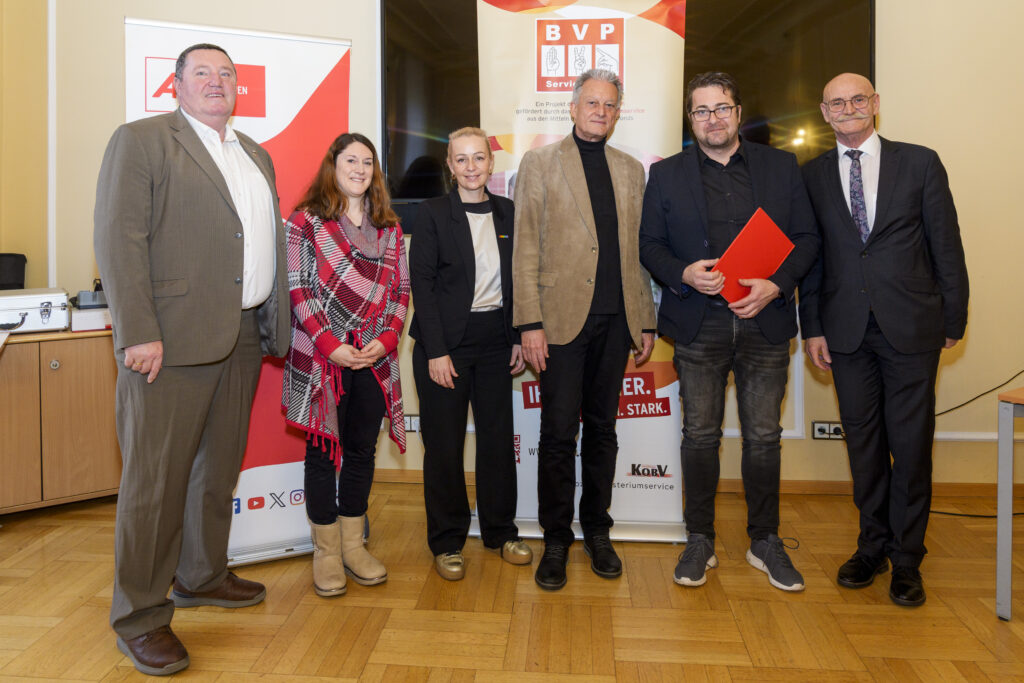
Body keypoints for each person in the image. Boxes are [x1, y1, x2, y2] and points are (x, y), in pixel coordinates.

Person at [94, 43, 290, 676]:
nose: (216, 81)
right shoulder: (143, 140)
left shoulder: (253, 153)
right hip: (168, 342)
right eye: (201, 72)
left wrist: (271, 322)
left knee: (216, 471)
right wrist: (137, 331)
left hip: (241, 338)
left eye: (226, 73)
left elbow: (259, 240)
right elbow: (118, 239)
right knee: (155, 483)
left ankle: (201, 575)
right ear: (174, 85)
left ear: (239, 88)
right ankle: (141, 617)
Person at [639, 71, 819, 593]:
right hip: (698, 323)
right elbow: (650, 245)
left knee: (763, 437)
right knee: (699, 435)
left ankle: (765, 540)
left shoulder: (781, 166)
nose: (712, 119)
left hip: (764, 321)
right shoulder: (666, 174)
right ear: (689, 118)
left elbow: (807, 239)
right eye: (701, 111)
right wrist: (683, 273)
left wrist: (777, 285)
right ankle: (700, 539)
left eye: (721, 109)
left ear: (738, 113)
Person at [799, 73, 969, 606]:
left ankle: (908, 558)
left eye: (857, 99)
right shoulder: (813, 176)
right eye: (836, 102)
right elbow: (813, 257)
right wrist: (814, 326)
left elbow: (946, 243)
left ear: (875, 105)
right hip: (845, 331)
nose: (848, 108)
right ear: (824, 113)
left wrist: (953, 318)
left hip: (912, 327)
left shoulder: (919, 162)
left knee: (911, 446)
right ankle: (871, 546)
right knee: (865, 445)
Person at [513, 68, 656, 591]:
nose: (600, 111)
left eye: (610, 105)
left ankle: (598, 530)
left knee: (602, 431)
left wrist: (643, 318)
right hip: (558, 323)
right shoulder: (540, 162)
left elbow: (636, 253)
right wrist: (528, 321)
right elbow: (525, 244)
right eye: (591, 102)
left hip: (617, 324)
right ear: (572, 109)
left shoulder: (630, 170)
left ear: (618, 114)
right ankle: (556, 539)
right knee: (556, 435)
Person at [281, 132, 409, 598]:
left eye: (367, 161)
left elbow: (401, 292)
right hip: (322, 359)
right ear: (332, 165)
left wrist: (388, 339)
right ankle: (327, 553)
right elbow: (300, 290)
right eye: (350, 159)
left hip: (375, 358)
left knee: (360, 451)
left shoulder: (389, 226)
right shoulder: (305, 222)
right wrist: (330, 344)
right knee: (322, 453)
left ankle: (354, 547)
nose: (359, 168)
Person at [409, 127, 531, 581]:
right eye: (461, 159)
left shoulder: (508, 212)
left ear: (490, 164)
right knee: (444, 446)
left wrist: (519, 335)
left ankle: (501, 532)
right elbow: (422, 285)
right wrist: (438, 352)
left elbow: (519, 280)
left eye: (478, 158)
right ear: (450, 166)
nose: (471, 167)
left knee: (499, 442)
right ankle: (447, 542)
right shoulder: (433, 214)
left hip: (497, 340)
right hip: (446, 345)